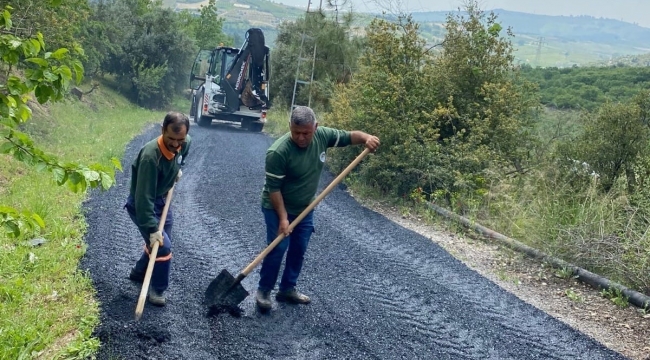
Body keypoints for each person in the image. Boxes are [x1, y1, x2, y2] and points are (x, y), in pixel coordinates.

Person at [255, 106, 380, 310]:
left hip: (305, 206)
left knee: (299, 248)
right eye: (296, 133)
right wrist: (284, 219)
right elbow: (274, 189)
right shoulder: (278, 152)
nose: (301, 138)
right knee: (278, 248)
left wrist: (367, 138)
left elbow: (350, 137)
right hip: (277, 206)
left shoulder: (323, 136)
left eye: (306, 133)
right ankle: (264, 290)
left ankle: (287, 289)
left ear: (316, 127)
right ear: (290, 128)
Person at [125, 111, 191, 306]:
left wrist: (178, 168)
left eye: (180, 139)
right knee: (162, 246)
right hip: (142, 205)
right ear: (162, 130)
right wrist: (153, 229)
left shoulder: (184, 142)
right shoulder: (150, 157)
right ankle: (157, 290)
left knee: (160, 242)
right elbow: (143, 198)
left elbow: (183, 151)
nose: (176, 144)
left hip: (163, 200)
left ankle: (139, 272)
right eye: (171, 138)